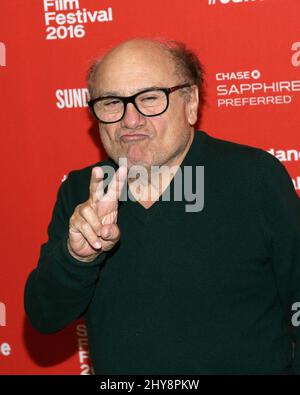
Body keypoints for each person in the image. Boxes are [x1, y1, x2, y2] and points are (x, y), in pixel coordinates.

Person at [24, 38, 300, 375]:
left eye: (150, 99)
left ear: (191, 102)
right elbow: (44, 316)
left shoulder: (254, 178)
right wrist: (77, 258)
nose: (130, 119)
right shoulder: (84, 191)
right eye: (112, 102)